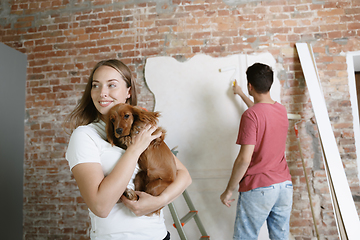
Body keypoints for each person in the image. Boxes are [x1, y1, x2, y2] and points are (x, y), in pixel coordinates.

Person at [65, 59, 192, 240]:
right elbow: (100, 207)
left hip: (159, 236)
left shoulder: (138, 129)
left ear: (128, 92)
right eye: (95, 85)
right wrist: (134, 150)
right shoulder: (84, 136)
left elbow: (184, 175)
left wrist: (159, 202)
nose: (102, 93)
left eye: (112, 85)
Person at [220, 63, 293, 240]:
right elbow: (260, 110)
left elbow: (244, 159)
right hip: (284, 187)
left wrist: (229, 190)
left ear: (250, 85)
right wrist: (241, 94)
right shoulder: (281, 110)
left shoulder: (251, 116)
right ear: (270, 84)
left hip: (259, 187)